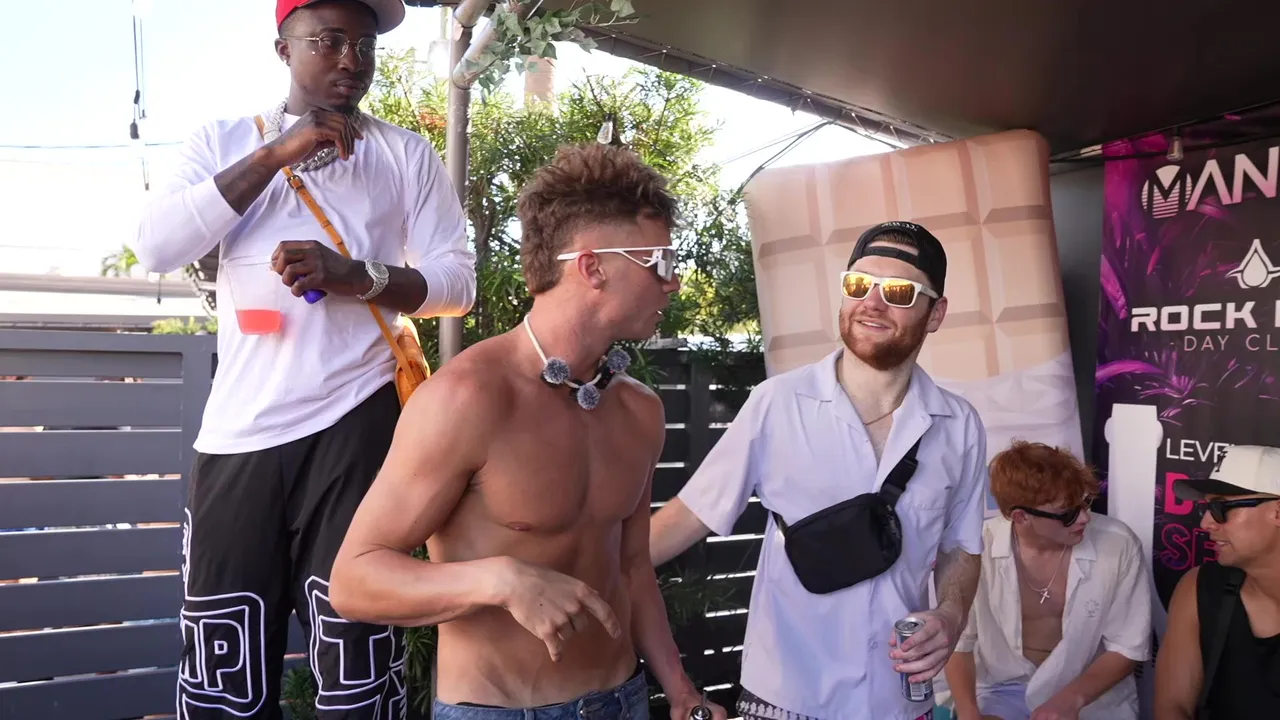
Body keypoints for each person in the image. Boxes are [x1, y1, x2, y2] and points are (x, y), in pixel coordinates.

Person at [131, 1, 476, 717]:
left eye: (365, 44)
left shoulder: (404, 154)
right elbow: (157, 246)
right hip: (239, 435)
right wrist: (276, 155)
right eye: (328, 40)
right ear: (283, 49)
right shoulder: (222, 140)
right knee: (221, 666)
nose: (351, 59)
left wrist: (356, 276)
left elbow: (456, 284)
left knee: (356, 658)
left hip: (357, 424)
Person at [328, 142, 728, 720]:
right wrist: (499, 580)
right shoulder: (468, 399)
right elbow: (354, 581)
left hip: (624, 700)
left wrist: (680, 689)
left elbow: (632, 567)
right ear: (592, 267)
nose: (675, 283)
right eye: (660, 263)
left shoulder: (639, 410)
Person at [649, 221, 988, 720]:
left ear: (935, 313)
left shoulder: (959, 425)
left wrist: (951, 615)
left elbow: (962, 546)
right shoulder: (776, 403)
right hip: (786, 699)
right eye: (858, 284)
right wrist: (581, 575)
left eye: (898, 291)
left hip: (897, 702)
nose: (872, 303)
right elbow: (687, 517)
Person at [944, 441, 1151, 720]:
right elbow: (958, 643)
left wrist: (1071, 700)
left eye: (1085, 502)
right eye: (1068, 513)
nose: (1084, 518)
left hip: (1089, 693)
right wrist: (970, 713)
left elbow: (1127, 648)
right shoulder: (976, 549)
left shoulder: (1119, 544)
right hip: (1001, 690)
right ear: (1021, 517)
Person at [1154, 444, 1280, 718]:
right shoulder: (1199, 586)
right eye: (1206, 508)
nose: (1206, 524)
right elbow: (1172, 706)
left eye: (1221, 508)